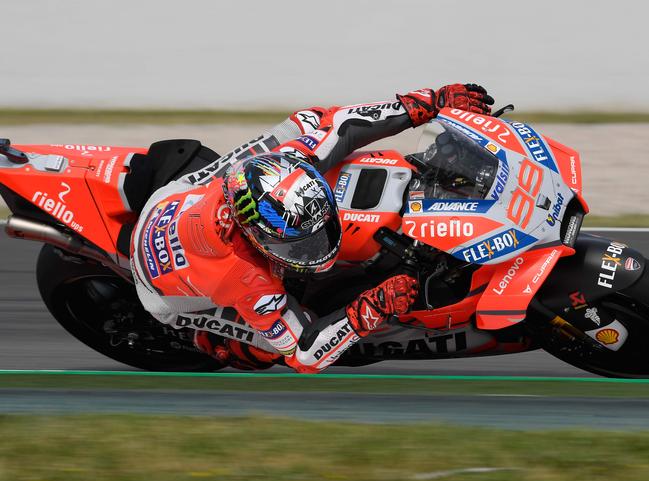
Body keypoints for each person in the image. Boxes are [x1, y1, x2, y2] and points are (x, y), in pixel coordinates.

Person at [130, 84, 494, 373]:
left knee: (308, 120)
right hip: (163, 292)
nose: (318, 249)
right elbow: (304, 354)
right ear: (258, 239)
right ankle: (212, 343)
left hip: (177, 196)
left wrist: (428, 102)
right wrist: (369, 308)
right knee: (269, 348)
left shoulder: (284, 161)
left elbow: (342, 125)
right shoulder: (243, 278)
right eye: (299, 244)